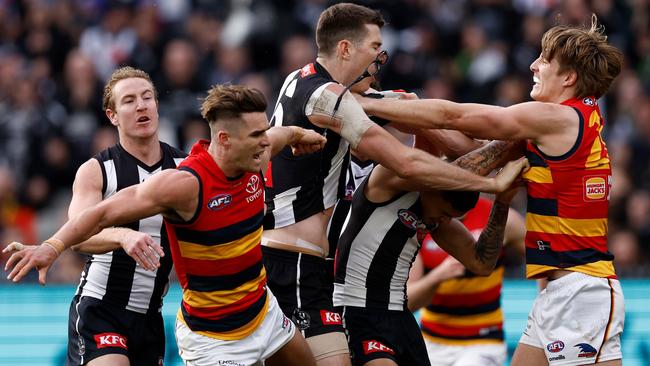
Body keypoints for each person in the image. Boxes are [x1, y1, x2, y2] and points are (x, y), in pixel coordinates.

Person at [358, 15, 625, 366]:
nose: (533, 65)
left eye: (544, 60)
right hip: (563, 291)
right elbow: (473, 156)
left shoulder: (557, 117)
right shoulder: (563, 124)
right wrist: (409, 112)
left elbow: (457, 116)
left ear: (569, 77)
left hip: (580, 289)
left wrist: (367, 106)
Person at [262, 4, 518, 365]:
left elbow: (457, 143)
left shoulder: (308, 83)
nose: (381, 57)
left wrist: (419, 118)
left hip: (316, 269)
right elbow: (407, 161)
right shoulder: (330, 99)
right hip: (295, 261)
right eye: (374, 47)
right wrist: (494, 180)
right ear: (346, 48)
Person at [4, 84, 328, 366]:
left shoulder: (256, 151)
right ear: (225, 139)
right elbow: (100, 214)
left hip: (262, 312)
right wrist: (51, 246)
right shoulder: (185, 184)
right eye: (256, 136)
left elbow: (283, 134)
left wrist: (304, 136)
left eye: (263, 133)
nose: (265, 143)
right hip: (214, 337)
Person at [6, 66, 185, 366]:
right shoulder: (97, 170)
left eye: (147, 97)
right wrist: (122, 234)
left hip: (151, 316)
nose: (141, 105)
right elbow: (79, 233)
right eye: (128, 101)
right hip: (101, 309)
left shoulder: (184, 167)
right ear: (112, 116)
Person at [333, 138, 527, 366]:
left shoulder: (434, 220)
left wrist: (501, 201)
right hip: (357, 308)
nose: (444, 220)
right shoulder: (389, 182)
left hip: (400, 317)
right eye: (444, 213)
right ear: (432, 189)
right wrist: (497, 169)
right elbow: (423, 144)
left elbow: (481, 264)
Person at [408, 197, 526, 366]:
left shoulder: (502, 218)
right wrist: (438, 276)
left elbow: (543, 259)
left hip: (483, 342)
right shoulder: (423, 222)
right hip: (431, 341)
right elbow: (408, 303)